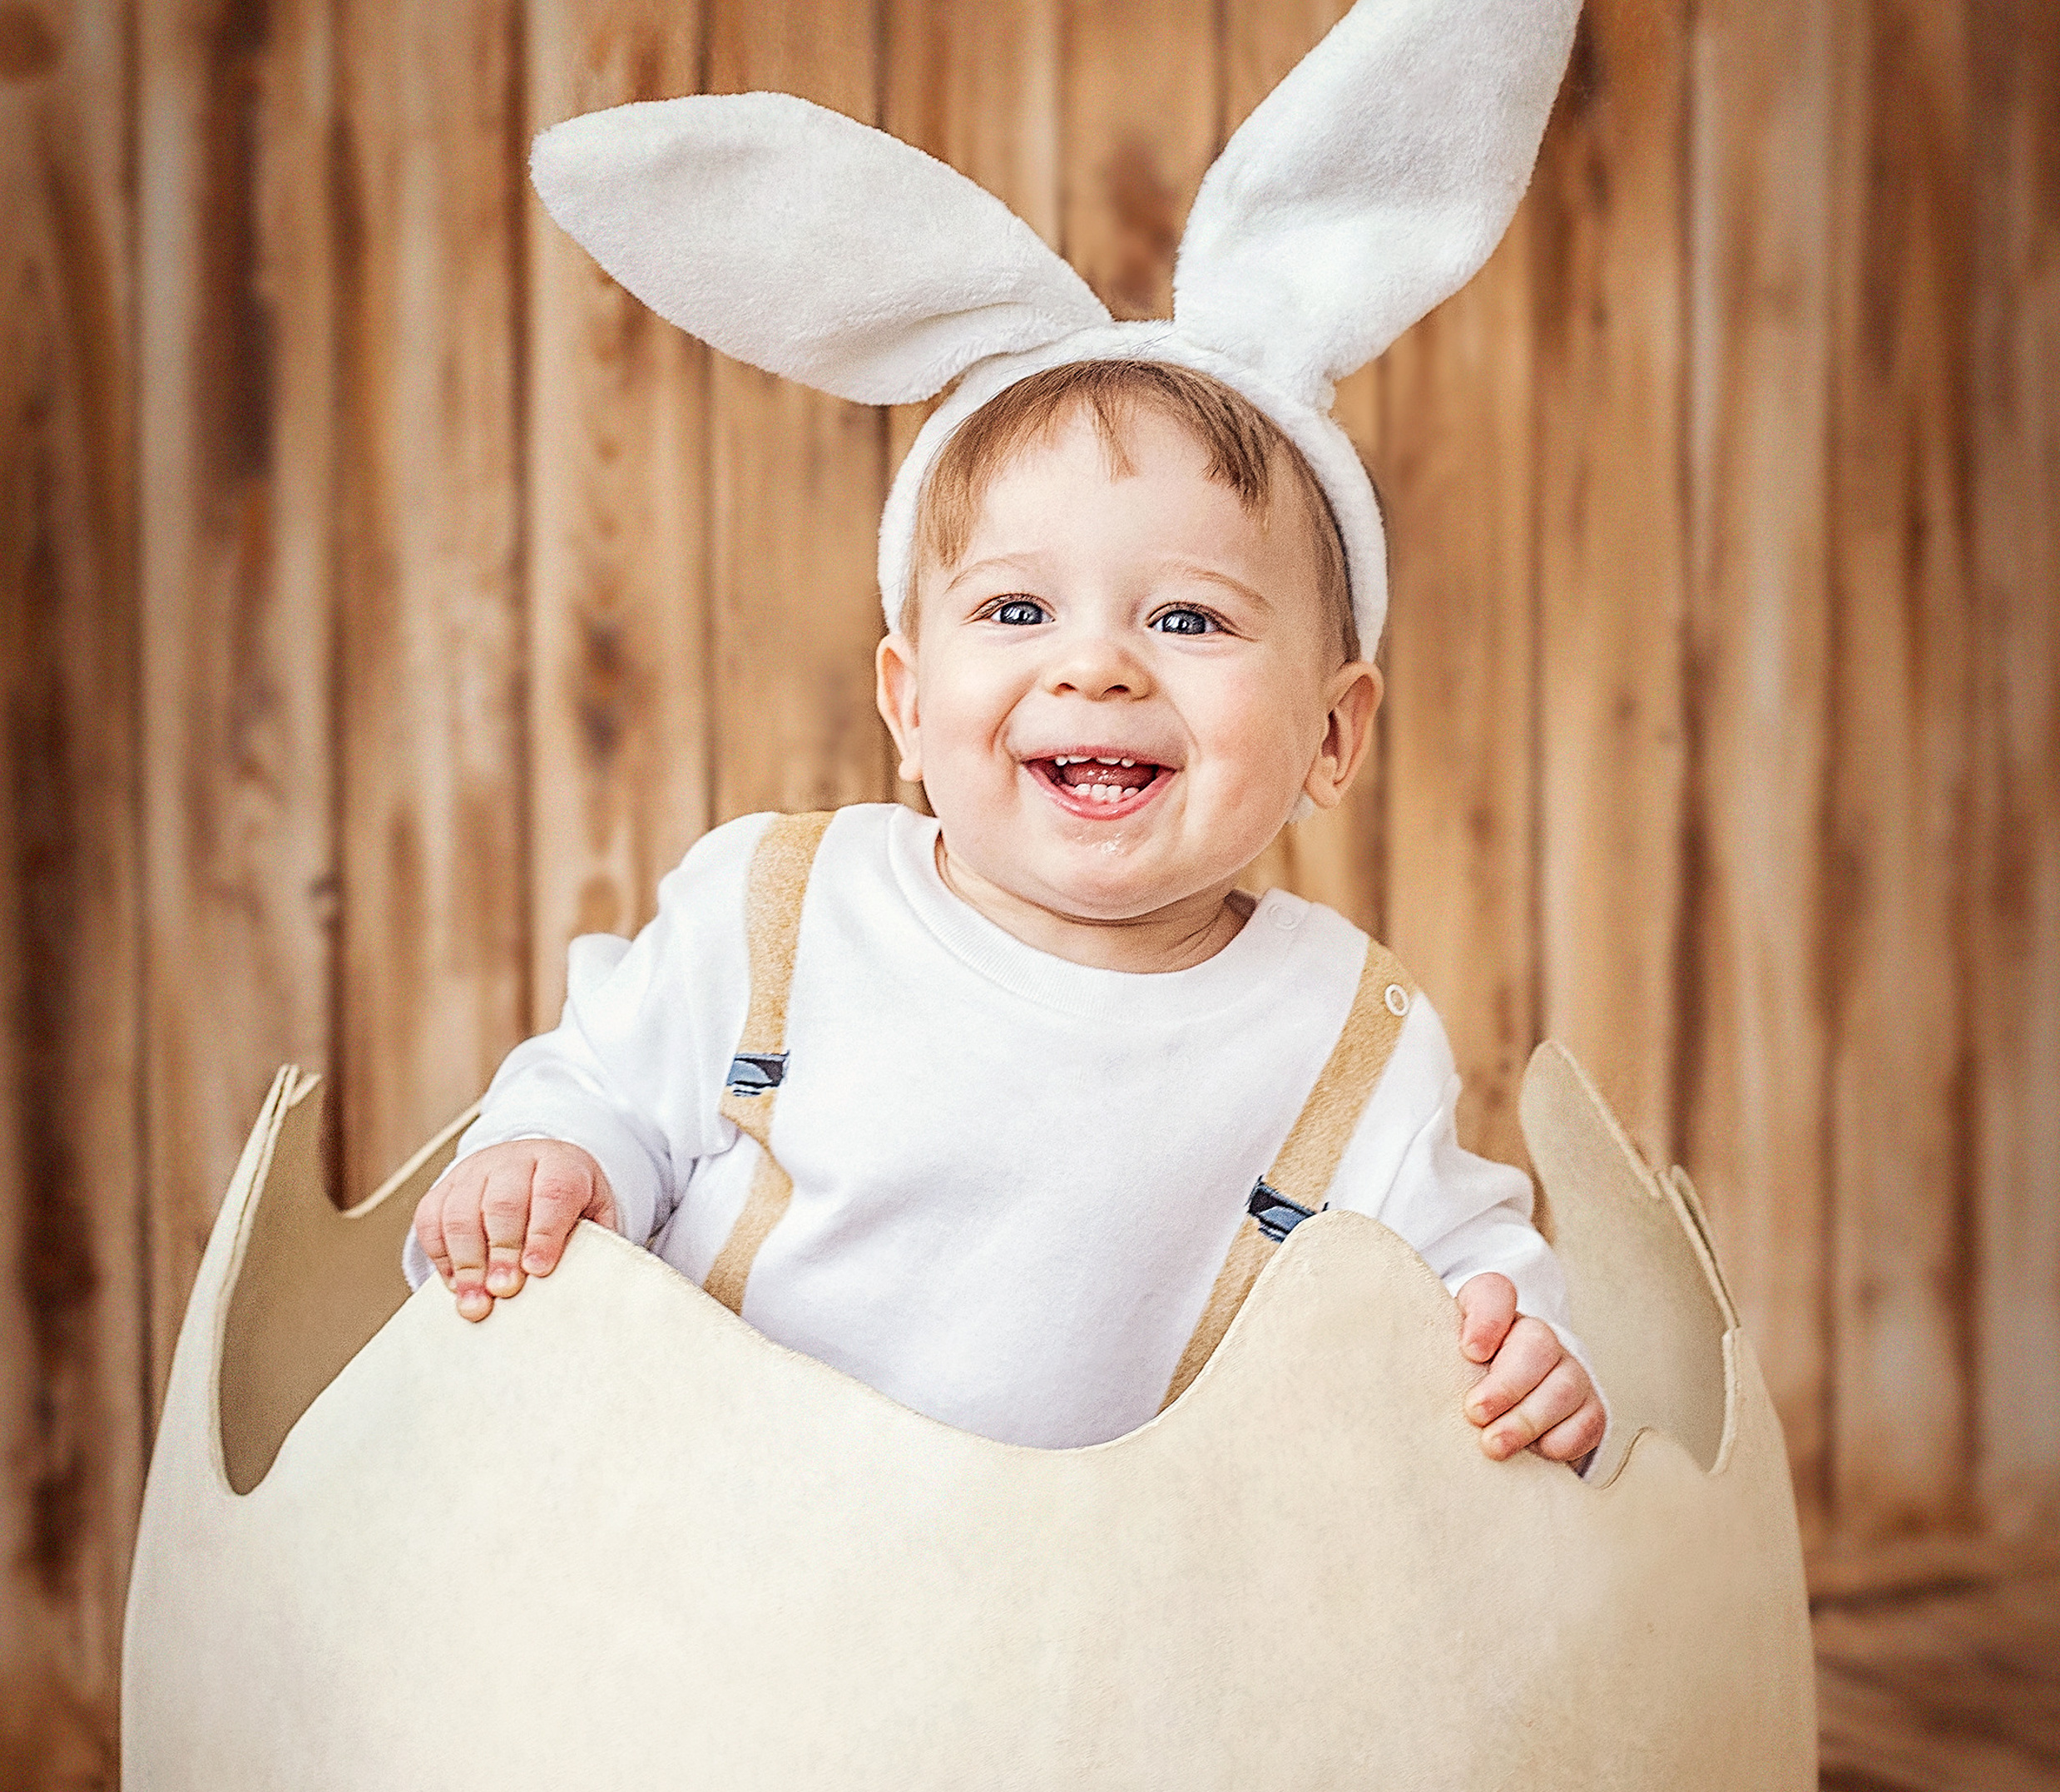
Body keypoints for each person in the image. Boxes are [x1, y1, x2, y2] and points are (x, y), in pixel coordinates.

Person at [408, 358, 1606, 1466]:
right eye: (1017, 612)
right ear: (910, 701)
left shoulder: (1343, 1033)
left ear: (1333, 735)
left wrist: (1520, 1354)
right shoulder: (782, 909)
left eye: (1187, 620)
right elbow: (606, 1090)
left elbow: (1454, 1275)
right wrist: (552, 1162)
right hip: (717, 1551)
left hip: (1084, 1634)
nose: (1098, 666)